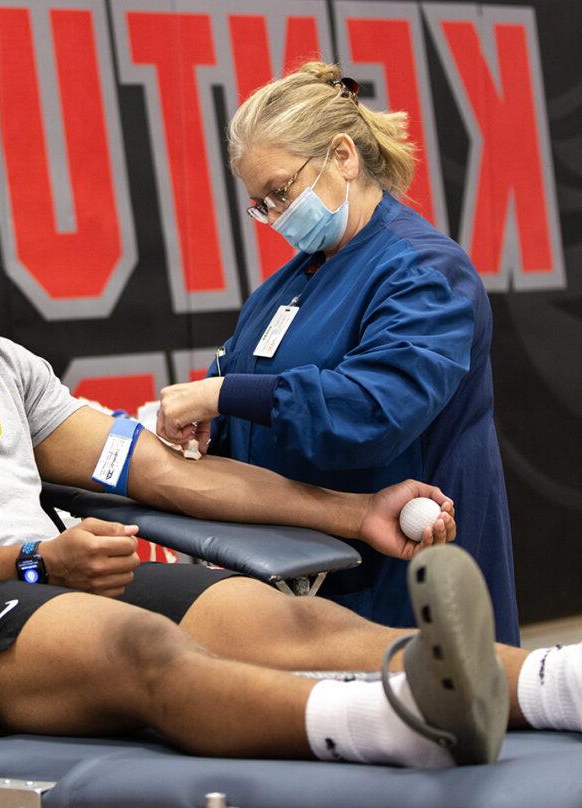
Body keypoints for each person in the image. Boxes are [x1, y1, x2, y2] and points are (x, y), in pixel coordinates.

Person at [0, 131, 579, 770]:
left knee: (291, 619)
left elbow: (154, 467)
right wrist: (29, 559)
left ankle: (550, 684)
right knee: (141, 650)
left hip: (41, 576)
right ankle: (409, 720)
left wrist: (356, 511)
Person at [156, 62, 519, 644]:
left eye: (281, 192)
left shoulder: (424, 272)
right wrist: (211, 426)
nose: (274, 217)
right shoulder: (284, 287)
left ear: (344, 156)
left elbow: (371, 412)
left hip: (406, 582)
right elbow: (248, 393)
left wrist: (222, 394)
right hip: (297, 587)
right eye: (260, 205)